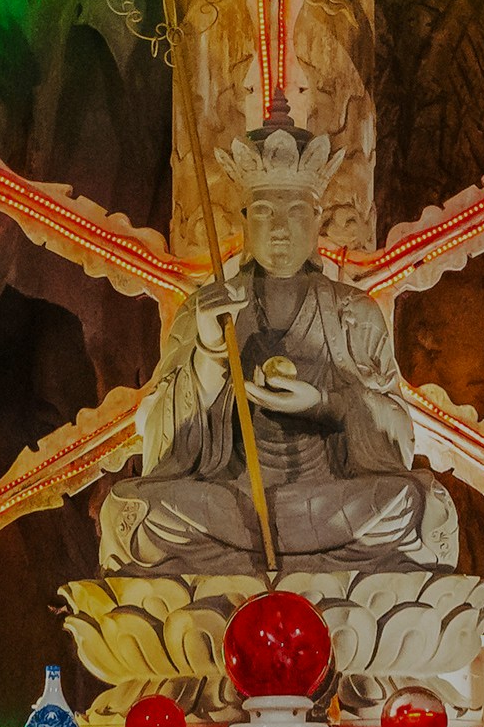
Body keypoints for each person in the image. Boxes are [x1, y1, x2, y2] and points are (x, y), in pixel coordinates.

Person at [105, 118, 454, 573]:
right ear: (245, 221)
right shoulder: (204, 309)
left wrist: (328, 404)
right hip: (229, 500)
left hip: (332, 499)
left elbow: (398, 439)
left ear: (317, 220)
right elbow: (159, 439)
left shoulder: (354, 312)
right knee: (136, 508)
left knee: (413, 501)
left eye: (295, 213)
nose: (280, 230)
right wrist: (210, 354)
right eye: (266, 213)